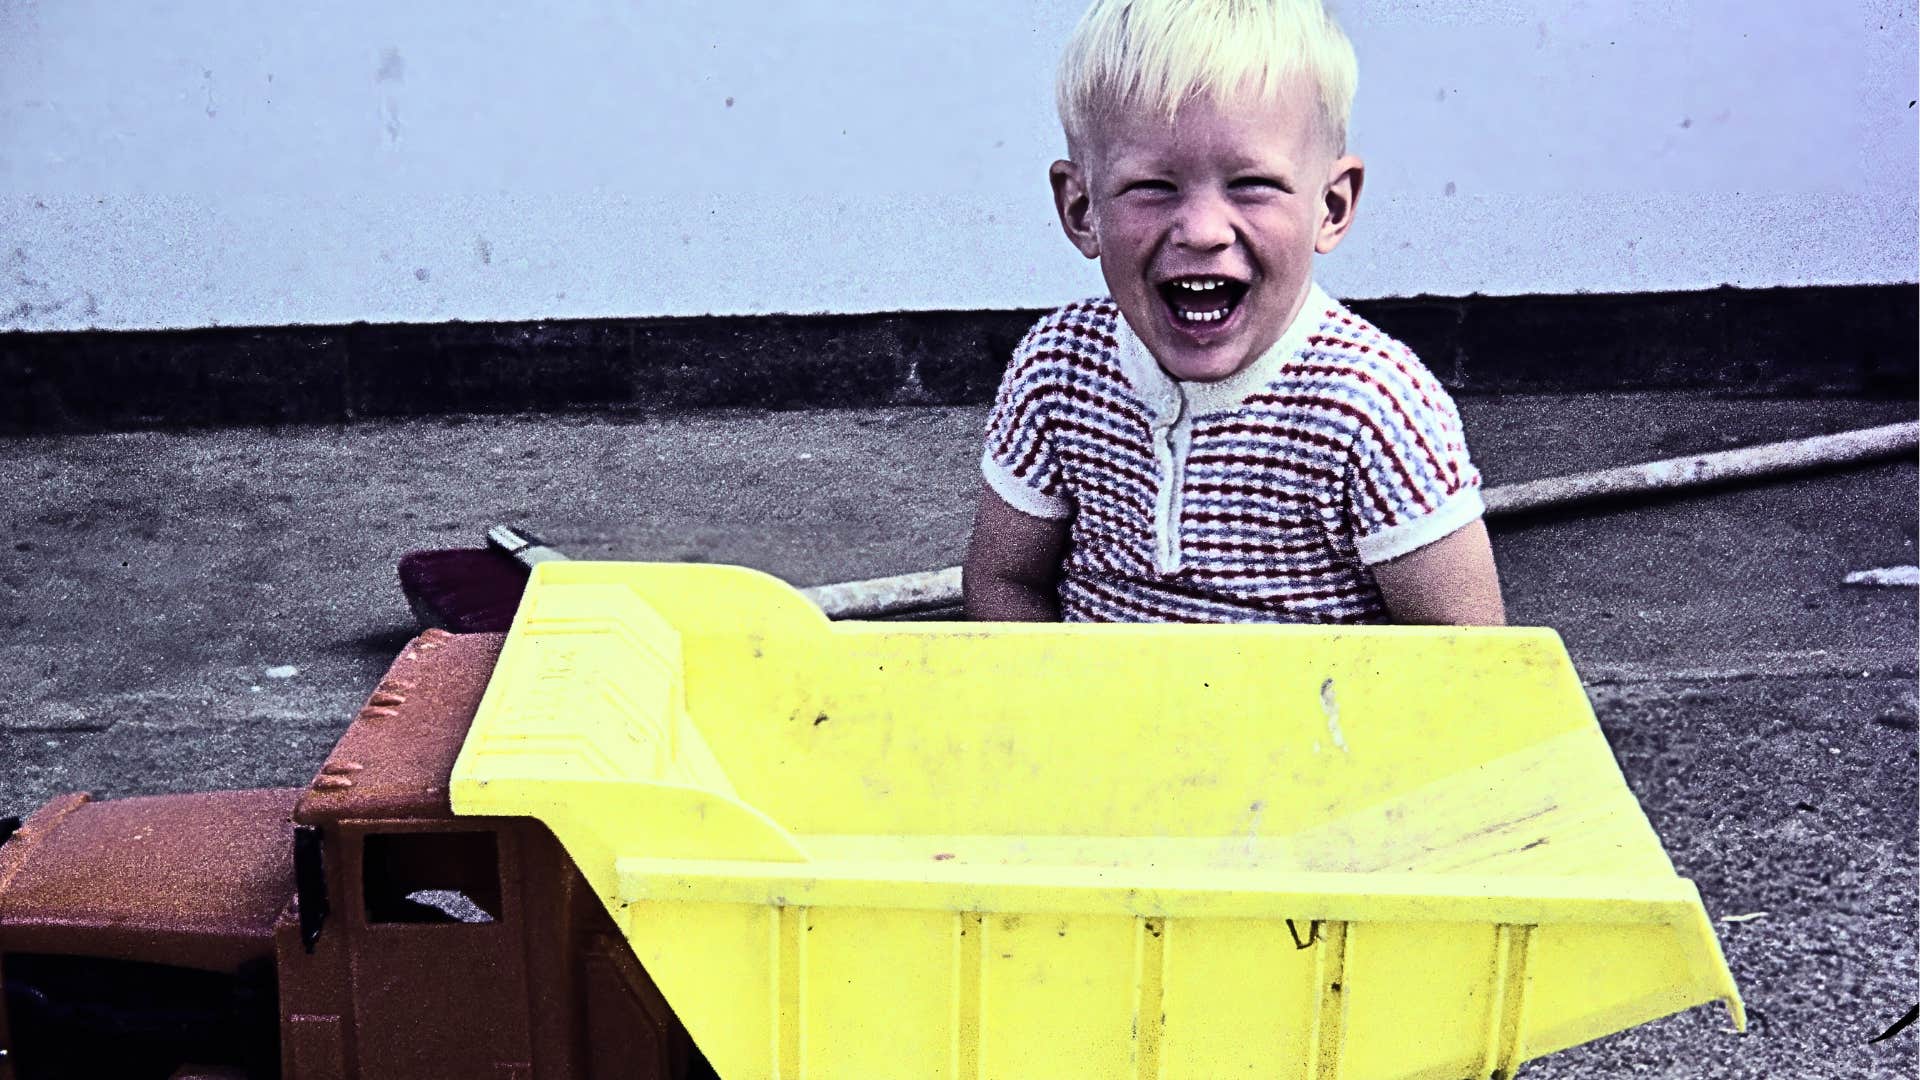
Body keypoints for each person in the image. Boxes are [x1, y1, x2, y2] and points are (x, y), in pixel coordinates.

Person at [962, 0, 1505, 626]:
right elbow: (1005, 579)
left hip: (1312, 721)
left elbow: (1467, 656)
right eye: (1153, 187)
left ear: (1330, 206)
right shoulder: (1057, 371)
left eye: (1251, 183)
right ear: (1082, 210)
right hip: (1096, 717)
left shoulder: (1374, 407)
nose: (1201, 231)